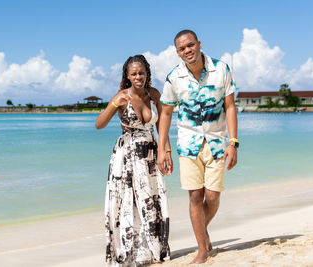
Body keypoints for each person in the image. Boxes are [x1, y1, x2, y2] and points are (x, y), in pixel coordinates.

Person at [157, 29, 238, 264]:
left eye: (190, 45)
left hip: (217, 142)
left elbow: (230, 106)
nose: (187, 51)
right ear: (177, 52)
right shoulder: (174, 78)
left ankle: (202, 232)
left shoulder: (221, 69)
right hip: (188, 144)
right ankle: (203, 249)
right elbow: (166, 113)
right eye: (182, 49)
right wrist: (163, 149)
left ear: (199, 44)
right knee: (195, 196)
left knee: (212, 197)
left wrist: (233, 142)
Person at [95, 55, 171, 266]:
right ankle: (130, 253)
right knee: (127, 203)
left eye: (141, 72)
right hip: (126, 156)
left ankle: (153, 250)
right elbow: (99, 124)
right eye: (134, 73)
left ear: (147, 73)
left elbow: (161, 127)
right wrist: (112, 104)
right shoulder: (122, 96)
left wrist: (167, 151)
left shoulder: (154, 94)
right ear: (127, 76)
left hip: (150, 154)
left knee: (151, 200)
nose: (138, 76)